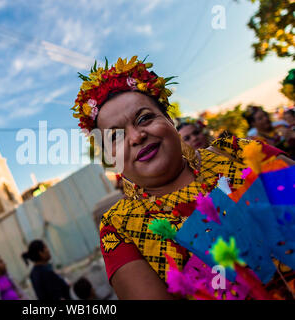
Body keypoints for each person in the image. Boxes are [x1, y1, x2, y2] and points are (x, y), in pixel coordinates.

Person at [71, 56, 295, 299]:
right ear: (110, 157)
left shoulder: (236, 152)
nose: (136, 137)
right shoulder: (120, 227)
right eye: (116, 136)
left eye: (144, 118)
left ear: (170, 120)